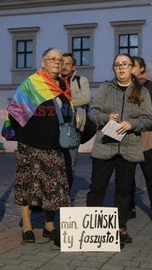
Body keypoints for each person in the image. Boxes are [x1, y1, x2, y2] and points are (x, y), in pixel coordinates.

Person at [2, 48, 71, 244]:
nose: (57, 62)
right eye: (52, 59)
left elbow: (67, 115)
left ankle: (49, 226)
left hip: (54, 145)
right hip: (30, 144)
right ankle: (27, 227)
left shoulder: (63, 86)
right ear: (43, 62)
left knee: (53, 188)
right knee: (28, 186)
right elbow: (15, 111)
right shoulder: (31, 83)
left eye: (60, 60)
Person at [86, 54, 152, 244]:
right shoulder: (105, 88)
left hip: (129, 148)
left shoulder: (142, 92)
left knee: (124, 190)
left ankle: (120, 227)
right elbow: (93, 112)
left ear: (132, 68)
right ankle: (91, 227)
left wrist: (131, 124)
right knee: (96, 188)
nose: (121, 68)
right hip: (105, 145)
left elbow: (149, 118)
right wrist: (106, 118)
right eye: (117, 65)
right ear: (113, 68)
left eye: (125, 64)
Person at [128, 56, 152, 223]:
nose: (130, 68)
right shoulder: (124, 84)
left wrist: (151, 130)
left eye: (133, 66)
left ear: (141, 68)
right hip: (127, 135)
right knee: (128, 175)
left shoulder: (147, 85)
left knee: (148, 173)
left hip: (144, 136)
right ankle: (130, 207)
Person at [60, 53, 91, 196]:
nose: (64, 66)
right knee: (53, 164)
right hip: (55, 127)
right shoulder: (53, 80)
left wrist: (63, 101)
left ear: (74, 67)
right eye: (62, 63)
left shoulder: (81, 80)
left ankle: (65, 195)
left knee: (70, 165)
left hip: (74, 128)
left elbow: (85, 98)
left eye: (68, 64)